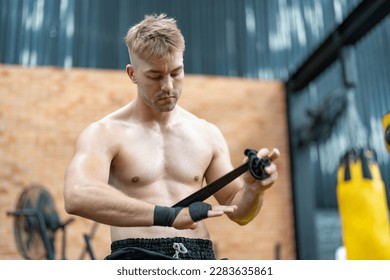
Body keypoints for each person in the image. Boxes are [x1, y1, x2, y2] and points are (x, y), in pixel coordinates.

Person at [64, 13, 280, 260]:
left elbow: (238, 211)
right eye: (155, 76)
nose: (168, 86)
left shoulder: (206, 133)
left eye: (176, 73)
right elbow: (77, 194)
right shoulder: (105, 133)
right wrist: (168, 216)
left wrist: (253, 191)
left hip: (199, 257)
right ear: (132, 74)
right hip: (137, 258)